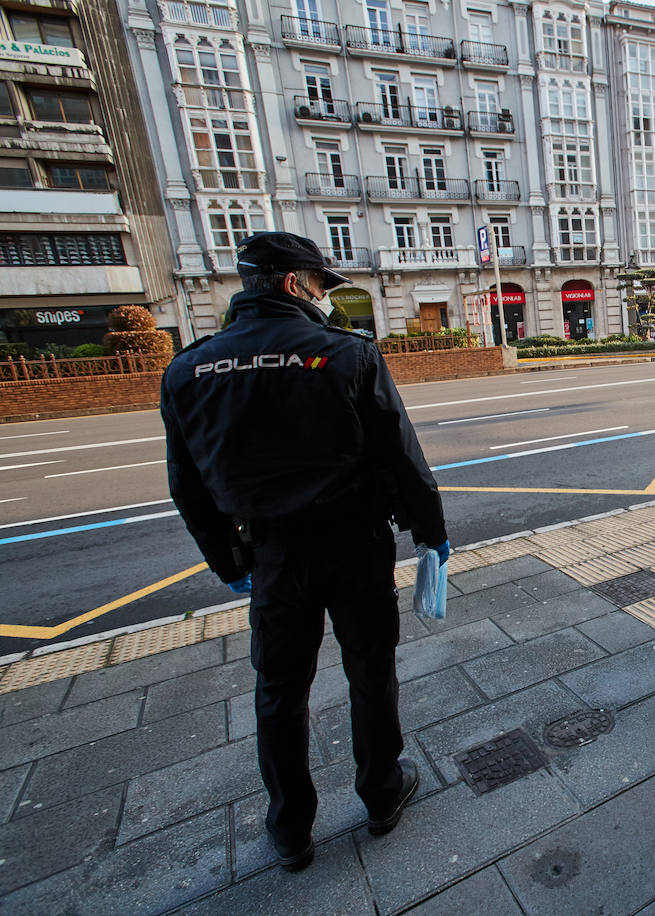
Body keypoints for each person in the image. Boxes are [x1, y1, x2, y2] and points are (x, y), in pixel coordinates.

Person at [160, 232, 449, 872]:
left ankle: (291, 829)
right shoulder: (345, 354)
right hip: (355, 546)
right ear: (295, 284)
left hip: (273, 556)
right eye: (321, 286)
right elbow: (401, 457)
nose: (325, 298)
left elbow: (187, 485)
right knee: (370, 673)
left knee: (279, 691)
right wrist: (430, 532)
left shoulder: (189, 368)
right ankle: (380, 793)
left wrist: (228, 562)